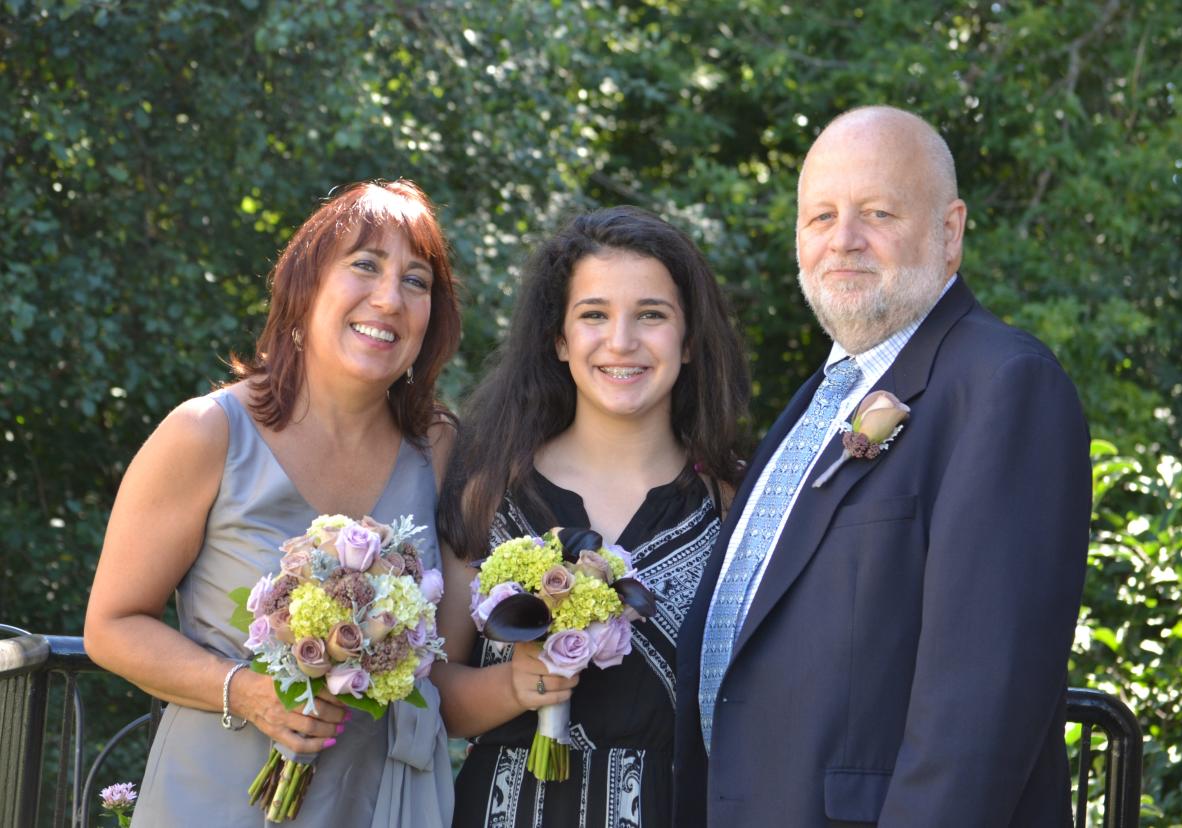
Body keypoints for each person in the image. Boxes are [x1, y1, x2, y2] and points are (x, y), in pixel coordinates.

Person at [673, 106, 1092, 827]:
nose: (844, 240)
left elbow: (980, 711)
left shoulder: (1004, 386)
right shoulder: (816, 403)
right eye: (821, 216)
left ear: (950, 232)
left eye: (878, 212)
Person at [83, 179, 461, 827]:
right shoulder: (206, 433)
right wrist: (253, 693)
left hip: (379, 802)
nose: (389, 298)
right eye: (365, 265)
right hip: (218, 798)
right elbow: (112, 628)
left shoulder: (439, 448)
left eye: (417, 281)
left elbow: (445, 663)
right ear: (305, 286)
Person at [433, 205, 750, 827]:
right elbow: (426, 692)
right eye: (594, 315)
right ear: (560, 339)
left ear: (688, 343)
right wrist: (512, 686)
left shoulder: (734, 506)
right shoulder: (488, 491)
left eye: (651, 315)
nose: (622, 340)